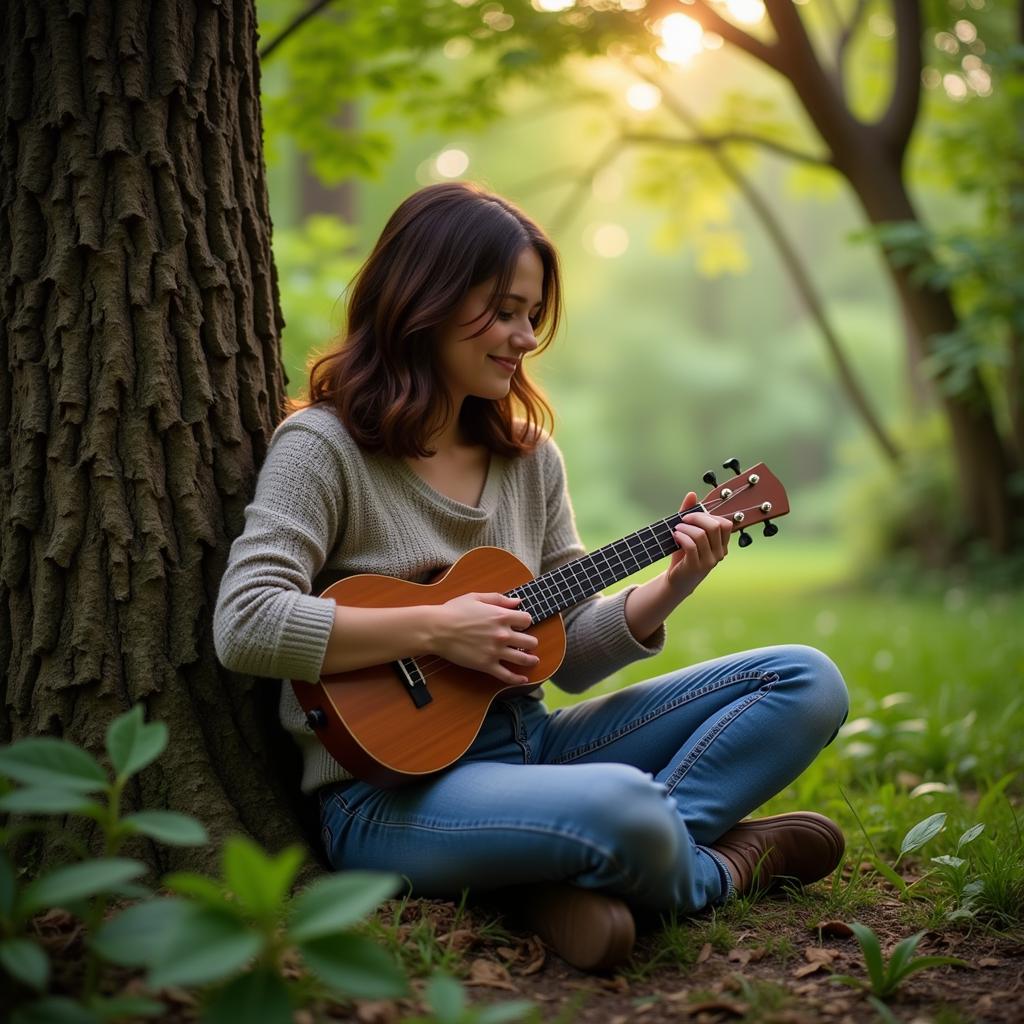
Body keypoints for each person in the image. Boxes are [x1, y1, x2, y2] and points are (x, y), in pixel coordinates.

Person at [213, 181, 850, 973]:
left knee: (805, 679)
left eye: (532, 316)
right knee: (624, 807)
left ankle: (567, 868)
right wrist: (439, 627)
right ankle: (715, 868)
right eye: (505, 310)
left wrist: (671, 586)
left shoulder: (528, 458)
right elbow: (246, 622)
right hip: (389, 799)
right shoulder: (324, 447)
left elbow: (571, 651)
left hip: (536, 743)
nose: (523, 337)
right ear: (426, 297)